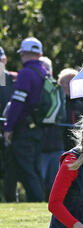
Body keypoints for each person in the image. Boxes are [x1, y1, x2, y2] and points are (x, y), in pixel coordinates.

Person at [4, 37, 47, 202]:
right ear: (40, 54)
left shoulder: (26, 73)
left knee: (27, 169)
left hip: (24, 129)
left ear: (23, 53)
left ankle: (38, 201)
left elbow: (17, 103)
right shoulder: (44, 72)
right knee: (31, 167)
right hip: (39, 128)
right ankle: (14, 200)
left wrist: (9, 127)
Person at [40, 56, 66, 200]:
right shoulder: (35, 87)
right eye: (42, 67)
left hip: (56, 145)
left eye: (47, 68)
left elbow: (61, 115)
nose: (45, 71)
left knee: (55, 186)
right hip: (38, 145)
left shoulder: (57, 89)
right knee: (38, 183)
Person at [0, 45, 18, 202]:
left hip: (9, 135)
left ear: (4, 60)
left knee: (11, 175)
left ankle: (12, 201)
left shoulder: (14, 80)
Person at [57, 67, 83, 151]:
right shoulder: (57, 104)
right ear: (60, 84)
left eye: (73, 83)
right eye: (68, 83)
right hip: (58, 146)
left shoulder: (81, 105)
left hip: (76, 147)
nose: (70, 86)